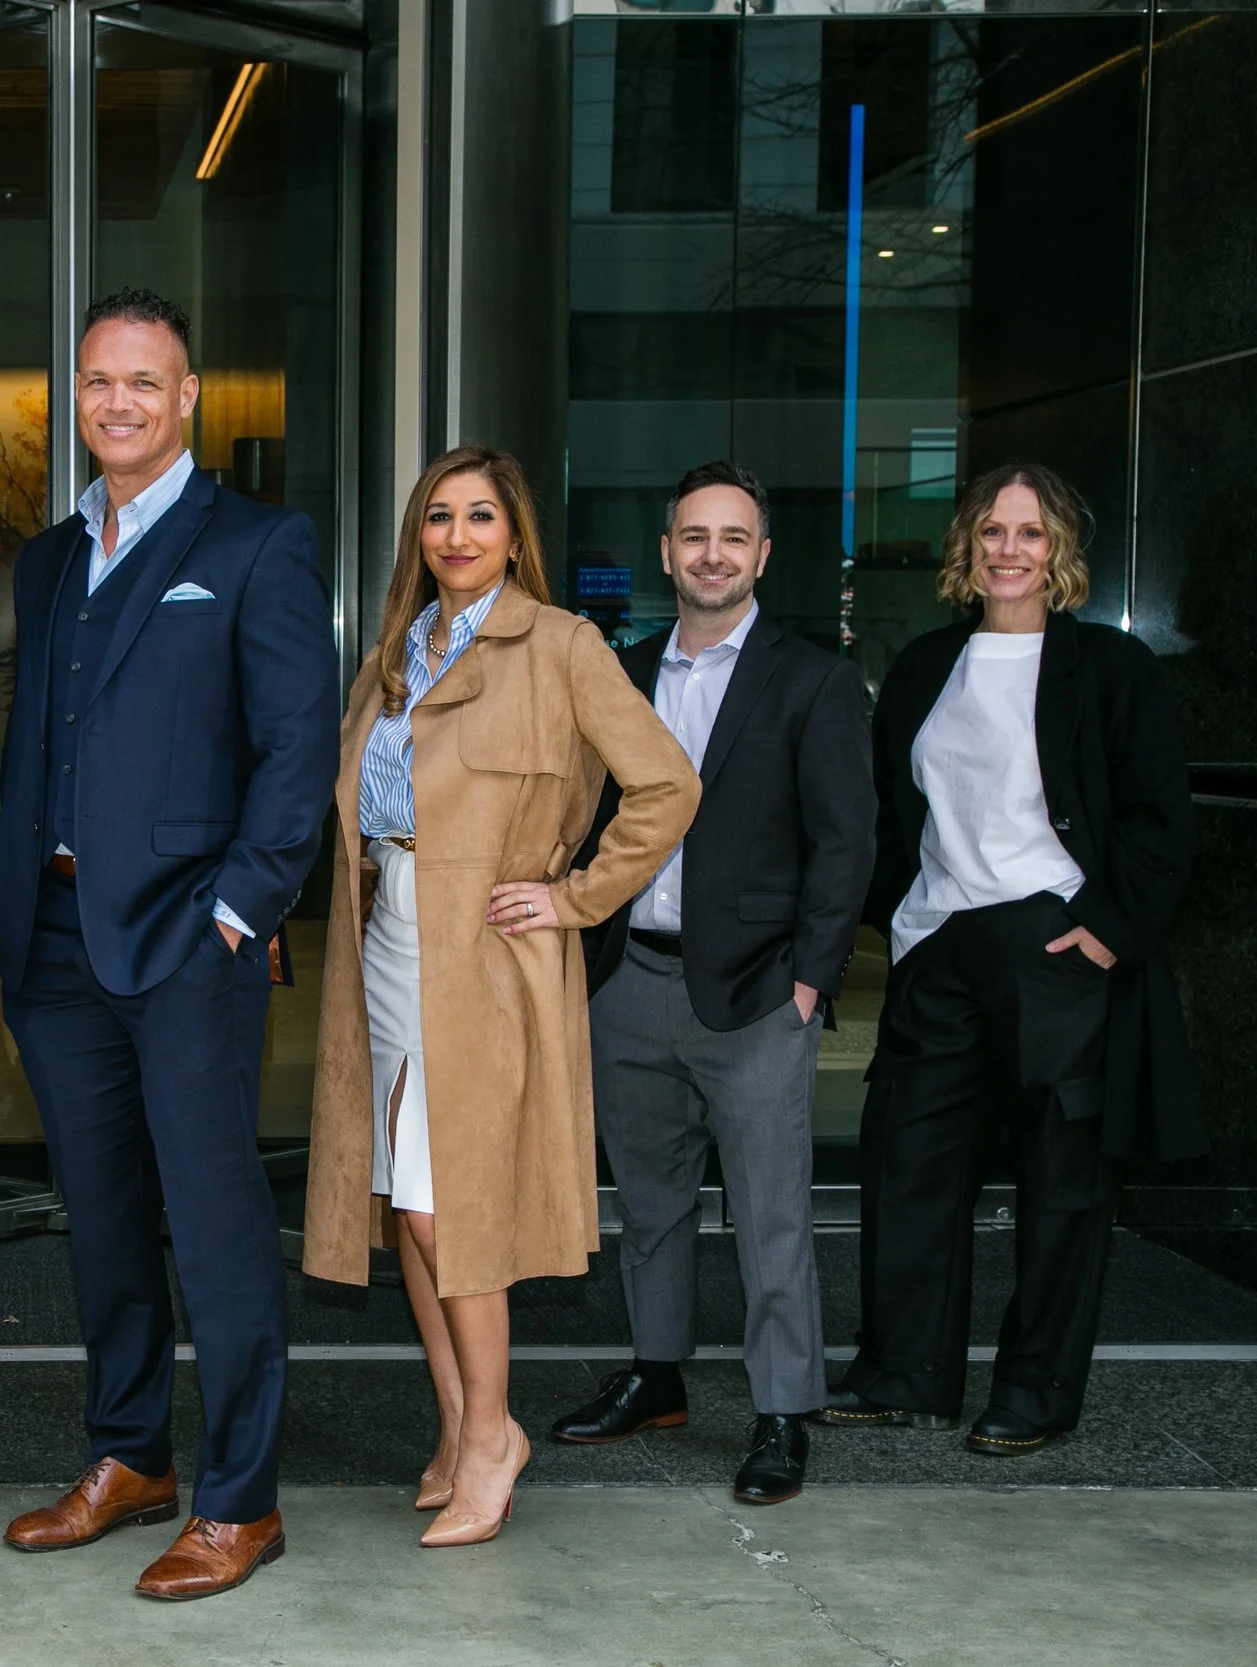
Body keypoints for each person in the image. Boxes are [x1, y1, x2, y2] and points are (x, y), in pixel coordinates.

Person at [0, 289, 340, 1601]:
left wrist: (240, 908)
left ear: (189, 396)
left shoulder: (257, 542)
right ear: (73, 397)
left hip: (192, 937)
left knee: (215, 1220)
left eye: (146, 381)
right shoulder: (50, 556)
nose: (119, 401)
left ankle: (240, 1497)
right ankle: (128, 1453)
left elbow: (299, 750)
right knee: (106, 1220)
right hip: (59, 939)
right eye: (96, 382)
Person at [302, 444, 697, 1547]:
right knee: (404, 1204)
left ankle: (493, 1434)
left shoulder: (562, 645)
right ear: (416, 537)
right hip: (388, 942)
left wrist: (575, 897)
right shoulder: (393, 653)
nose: (458, 535)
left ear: (515, 534)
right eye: (438, 516)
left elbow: (667, 783)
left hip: (483, 954)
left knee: (445, 1207)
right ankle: (457, 1424)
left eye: (481, 516)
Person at [821, 462, 1200, 1455]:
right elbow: (888, 807)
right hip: (939, 943)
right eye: (990, 530)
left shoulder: (1111, 669)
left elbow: (1162, 818)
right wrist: (898, 905)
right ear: (966, 545)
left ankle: (1035, 1387)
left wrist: (1106, 930)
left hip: (1053, 942)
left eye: (1028, 533)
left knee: (1061, 1176)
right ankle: (905, 1368)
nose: (1007, 549)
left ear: (1060, 550)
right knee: (906, 1152)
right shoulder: (921, 666)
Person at [545, 461, 873, 1507]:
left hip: (758, 993)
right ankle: (656, 1373)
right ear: (666, 551)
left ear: (762, 555)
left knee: (770, 1212)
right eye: (694, 535)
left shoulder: (812, 679)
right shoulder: (620, 671)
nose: (712, 554)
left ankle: (783, 1409)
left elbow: (844, 843)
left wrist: (811, 983)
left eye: (733, 537)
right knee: (646, 1202)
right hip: (630, 979)